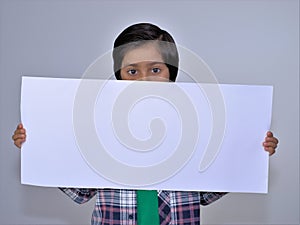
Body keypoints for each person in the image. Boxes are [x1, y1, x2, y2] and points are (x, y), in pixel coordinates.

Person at [12, 23, 279, 225]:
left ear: (171, 74)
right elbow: (82, 190)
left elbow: (205, 194)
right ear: (119, 77)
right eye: (132, 71)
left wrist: (253, 152)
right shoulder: (98, 126)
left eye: (155, 69)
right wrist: (35, 145)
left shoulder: (195, 124)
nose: (144, 80)